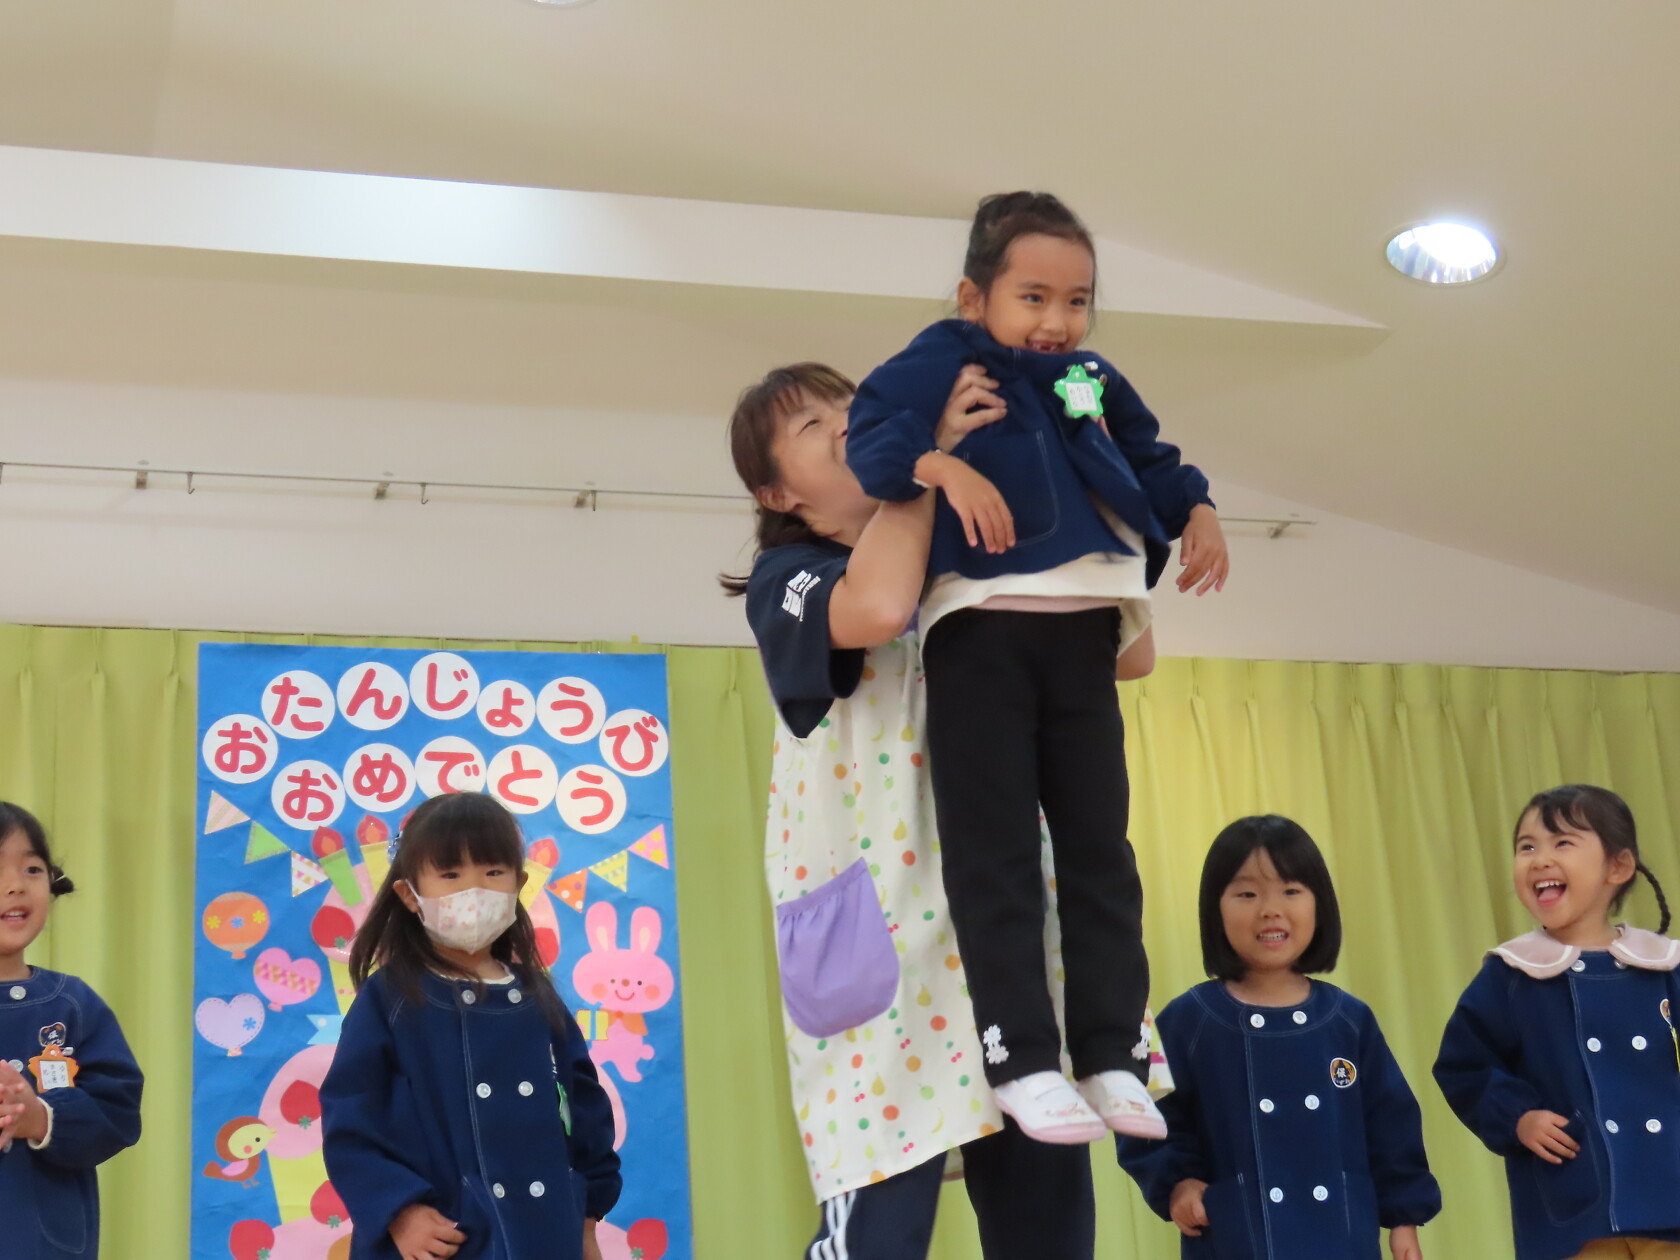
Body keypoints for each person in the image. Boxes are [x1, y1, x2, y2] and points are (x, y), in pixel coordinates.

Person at [726, 361, 1139, 1258]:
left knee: (1047, 1216)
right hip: (882, 931)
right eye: (811, 426)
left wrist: (1081, 487)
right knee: (881, 1216)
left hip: (1001, 927)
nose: (844, 423)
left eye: (851, 407)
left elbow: (1125, 655)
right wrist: (922, 464)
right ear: (777, 493)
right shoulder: (789, 575)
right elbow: (877, 606)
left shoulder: (965, 554)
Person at [845, 190, 1228, 1142]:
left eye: (1077, 300)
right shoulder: (947, 357)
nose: (1057, 320)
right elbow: (872, 438)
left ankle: (1111, 1052)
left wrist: (1200, 510)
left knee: (1103, 854)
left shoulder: (1091, 376)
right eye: (1034, 297)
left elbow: (1153, 456)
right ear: (974, 297)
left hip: (1085, 637)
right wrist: (944, 464)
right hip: (980, 632)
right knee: (998, 855)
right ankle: (1019, 1059)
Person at [1118, 815, 1440, 1259]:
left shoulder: (1350, 1021)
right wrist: (1177, 1182)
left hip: (1342, 1241)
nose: (1270, 909)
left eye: (1291, 890)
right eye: (1247, 894)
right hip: (1237, 1242)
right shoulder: (1188, 1020)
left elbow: (1392, 1126)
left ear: (1319, 904)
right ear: (1215, 909)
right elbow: (1141, 1109)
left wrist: (1404, 1221)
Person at [320, 792, 620, 1260]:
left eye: (493, 872)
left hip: (546, 1236)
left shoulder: (539, 999)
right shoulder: (391, 998)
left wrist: (585, 1221)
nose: (474, 890)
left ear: (518, 884)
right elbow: (351, 1116)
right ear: (409, 894)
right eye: (451, 875)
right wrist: (400, 1210)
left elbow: (585, 1112)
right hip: (440, 1239)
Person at [1434, 785, 1680, 1260]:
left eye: (1563, 842)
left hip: (1669, 1189)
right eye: (1527, 847)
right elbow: (1464, 1066)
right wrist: (1518, 1117)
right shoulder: (1512, 974)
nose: (1540, 859)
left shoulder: (1664, 966)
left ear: (1618, 867)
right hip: (1575, 1202)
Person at [0, 801, 144, 1260]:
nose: (15, 885)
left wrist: (40, 1118)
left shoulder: (73, 1005)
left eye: (32, 868)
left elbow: (118, 1113)